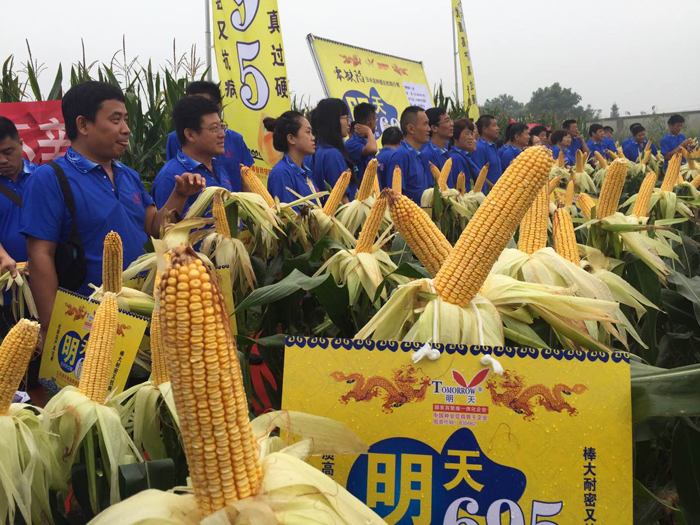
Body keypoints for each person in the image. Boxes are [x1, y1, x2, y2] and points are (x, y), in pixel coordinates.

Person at [21, 81, 204, 349]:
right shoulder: (50, 179)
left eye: (126, 119)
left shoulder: (128, 175)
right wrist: (52, 328)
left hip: (142, 313)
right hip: (87, 323)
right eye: (115, 119)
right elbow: (40, 256)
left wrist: (180, 195)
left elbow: (154, 227)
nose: (126, 129)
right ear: (83, 125)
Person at [166, 81, 254, 191]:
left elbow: (247, 179)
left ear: (218, 107)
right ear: (190, 135)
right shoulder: (170, 176)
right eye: (191, 103)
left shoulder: (218, 164)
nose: (221, 135)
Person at [152, 96, 232, 215]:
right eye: (214, 128)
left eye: (222, 127)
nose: (222, 134)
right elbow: (169, 225)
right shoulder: (171, 178)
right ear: (190, 135)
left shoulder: (216, 165)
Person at [0, 117, 37, 336]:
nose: (2, 160)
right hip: (4, 290)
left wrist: (41, 257)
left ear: (21, 144)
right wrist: (3, 256)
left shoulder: (43, 178)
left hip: (42, 284)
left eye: (8, 152)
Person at [305, 98, 357, 200]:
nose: (349, 122)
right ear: (333, 120)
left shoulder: (311, 152)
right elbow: (342, 200)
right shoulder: (333, 155)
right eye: (346, 118)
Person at [264, 111, 317, 204]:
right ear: (291, 139)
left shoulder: (306, 172)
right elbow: (288, 212)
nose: (313, 138)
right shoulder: (281, 173)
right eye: (308, 132)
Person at [386, 106, 431, 203]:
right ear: (411, 129)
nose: (429, 129)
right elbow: (394, 197)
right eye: (425, 124)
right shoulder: (401, 155)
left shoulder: (420, 155)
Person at [344, 102, 378, 176]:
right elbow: (372, 150)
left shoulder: (366, 141)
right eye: (375, 119)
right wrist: (369, 131)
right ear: (370, 120)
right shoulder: (351, 143)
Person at [471, 114, 502, 189]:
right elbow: (479, 174)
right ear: (484, 129)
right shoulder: (479, 148)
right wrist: (493, 187)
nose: (497, 128)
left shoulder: (492, 146)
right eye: (494, 125)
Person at [448, 118, 478, 190]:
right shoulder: (456, 158)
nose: (471, 138)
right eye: (467, 134)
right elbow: (458, 187)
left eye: (471, 134)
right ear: (456, 137)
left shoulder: (466, 155)